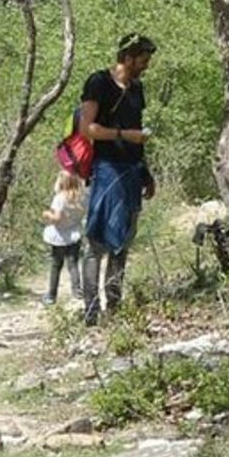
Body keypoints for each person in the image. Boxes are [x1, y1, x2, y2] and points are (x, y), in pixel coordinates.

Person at [79, 33, 157, 326]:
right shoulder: (98, 82)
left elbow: (138, 133)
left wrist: (146, 173)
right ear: (127, 57)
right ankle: (90, 311)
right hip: (106, 169)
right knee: (97, 242)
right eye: (143, 60)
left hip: (132, 171)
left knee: (123, 241)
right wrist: (124, 136)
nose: (146, 66)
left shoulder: (138, 89)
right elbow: (89, 129)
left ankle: (114, 305)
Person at [40, 170, 85, 305]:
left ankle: (51, 295)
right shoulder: (80, 198)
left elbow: (57, 218)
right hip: (74, 235)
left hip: (59, 236)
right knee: (73, 264)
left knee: (56, 265)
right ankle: (77, 291)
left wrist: (47, 214)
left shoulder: (60, 198)